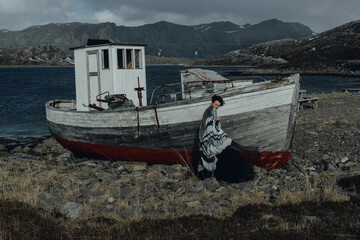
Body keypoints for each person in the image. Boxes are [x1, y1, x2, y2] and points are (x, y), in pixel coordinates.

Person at [197, 95, 232, 178]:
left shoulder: (211, 110)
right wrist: (216, 122)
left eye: (218, 106)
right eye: (215, 104)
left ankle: (205, 175)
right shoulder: (210, 111)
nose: (216, 107)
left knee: (207, 155)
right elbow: (209, 126)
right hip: (206, 137)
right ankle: (206, 176)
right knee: (208, 155)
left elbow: (210, 124)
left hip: (205, 137)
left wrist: (216, 121)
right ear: (212, 102)